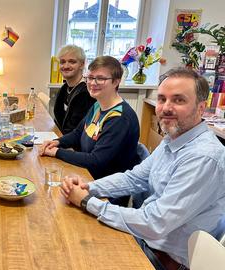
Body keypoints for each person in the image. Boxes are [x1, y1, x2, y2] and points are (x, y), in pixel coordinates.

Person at [61, 67, 225, 270]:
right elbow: (133, 178)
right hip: (145, 239)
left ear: (201, 108)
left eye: (178, 100)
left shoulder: (203, 157)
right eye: (162, 99)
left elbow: (154, 223)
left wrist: (87, 202)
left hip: (162, 259)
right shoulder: (173, 140)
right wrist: (89, 187)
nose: (166, 107)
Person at [40, 56, 141, 206]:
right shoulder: (98, 105)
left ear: (116, 81)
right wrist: (57, 142)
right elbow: (77, 133)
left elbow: (96, 161)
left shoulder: (120, 118)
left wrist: (57, 152)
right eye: (90, 77)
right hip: (87, 176)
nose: (93, 83)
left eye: (100, 79)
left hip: (106, 194)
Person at [53, 45, 95, 134]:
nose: (66, 66)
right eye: (62, 62)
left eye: (72, 62)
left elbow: (76, 130)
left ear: (82, 64)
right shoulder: (65, 88)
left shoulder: (85, 93)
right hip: (62, 135)